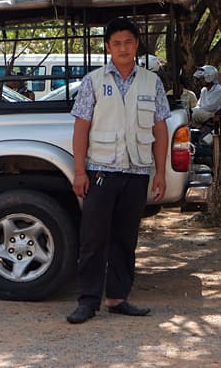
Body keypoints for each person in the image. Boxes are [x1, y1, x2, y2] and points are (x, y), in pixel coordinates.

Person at [66, 17, 169, 324]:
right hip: (100, 172)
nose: (123, 48)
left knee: (125, 238)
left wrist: (160, 172)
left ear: (136, 44)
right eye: (116, 43)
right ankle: (87, 301)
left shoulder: (152, 82)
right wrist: (79, 171)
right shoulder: (93, 81)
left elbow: (160, 129)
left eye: (128, 42)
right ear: (108, 48)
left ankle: (117, 298)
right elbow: (81, 128)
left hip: (136, 172)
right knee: (93, 238)